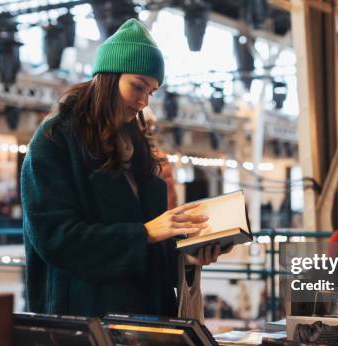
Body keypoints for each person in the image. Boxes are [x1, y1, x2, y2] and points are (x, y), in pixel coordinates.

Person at [21, 19, 230, 318]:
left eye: (152, 92)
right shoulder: (54, 140)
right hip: (86, 321)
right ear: (108, 77)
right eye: (138, 86)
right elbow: (55, 238)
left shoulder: (140, 149)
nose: (143, 101)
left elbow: (150, 243)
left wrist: (187, 257)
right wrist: (144, 233)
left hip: (149, 317)